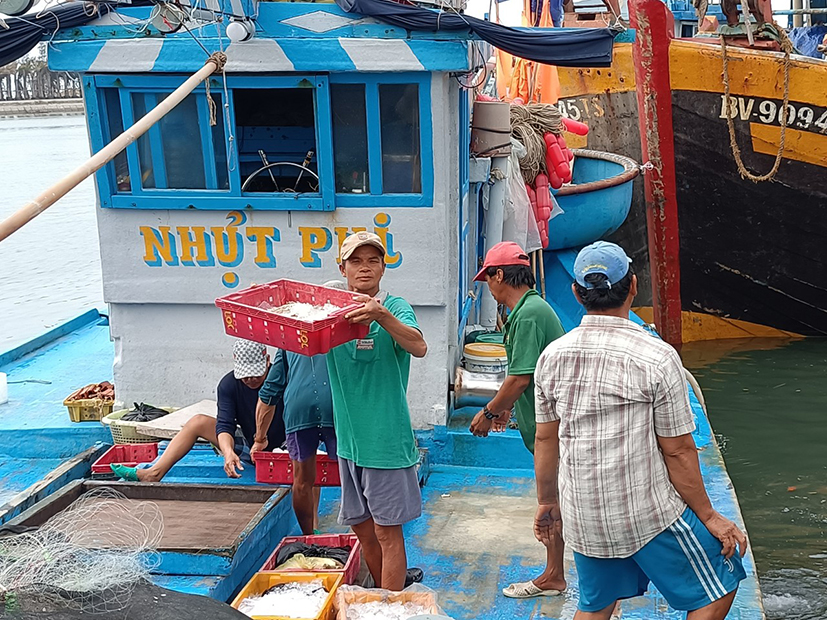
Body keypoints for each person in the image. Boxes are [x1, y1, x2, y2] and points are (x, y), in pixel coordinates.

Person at [533, 241, 748, 620]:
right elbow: (679, 451)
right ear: (633, 286)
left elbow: (546, 438)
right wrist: (710, 515)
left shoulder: (551, 357)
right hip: (643, 513)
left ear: (575, 293)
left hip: (583, 514)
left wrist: (548, 503)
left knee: (596, 606)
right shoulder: (656, 357)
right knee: (720, 584)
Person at [327, 231, 428, 591]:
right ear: (343, 268)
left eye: (373, 260)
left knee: (387, 532)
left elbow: (419, 346)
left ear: (384, 268)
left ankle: (390, 607)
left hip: (386, 443)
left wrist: (381, 315)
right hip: (349, 444)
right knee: (363, 530)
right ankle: (383, 600)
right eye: (356, 261)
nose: (364, 267)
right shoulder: (331, 308)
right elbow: (292, 320)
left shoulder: (395, 307)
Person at [468, 241, 567, 599]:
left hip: (553, 432)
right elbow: (525, 371)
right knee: (556, 500)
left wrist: (489, 412)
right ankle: (554, 572)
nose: (488, 287)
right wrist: (509, 407)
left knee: (552, 501)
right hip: (545, 427)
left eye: (488, 279)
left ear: (498, 275)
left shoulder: (526, 315)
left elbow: (519, 379)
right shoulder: (527, 310)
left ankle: (555, 575)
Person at [111, 339, 285, 482]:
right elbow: (225, 424)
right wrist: (228, 452)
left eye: (256, 374)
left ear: (268, 361)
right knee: (197, 422)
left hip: (287, 447)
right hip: (252, 447)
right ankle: (154, 473)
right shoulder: (229, 385)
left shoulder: (282, 380)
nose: (250, 379)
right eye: (245, 375)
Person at [251, 351, 335, 536]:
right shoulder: (341, 329)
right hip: (336, 405)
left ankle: (309, 537)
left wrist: (259, 439)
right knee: (354, 477)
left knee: (302, 481)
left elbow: (269, 392)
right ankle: (364, 538)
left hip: (299, 408)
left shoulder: (289, 339)